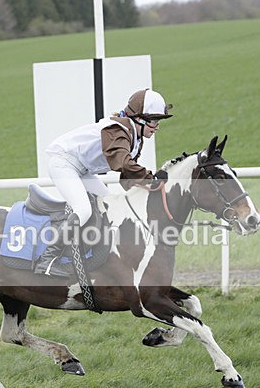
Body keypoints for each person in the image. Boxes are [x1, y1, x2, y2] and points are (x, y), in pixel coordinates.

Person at [34, 88, 173, 276]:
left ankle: (99, 255)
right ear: (139, 118)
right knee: (83, 210)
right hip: (63, 163)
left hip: (81, 169)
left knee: (110, 206)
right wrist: (151, 179)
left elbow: (127, 176)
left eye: (158, 121)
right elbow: (123, 163)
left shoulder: (135, 137)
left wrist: (150, 186)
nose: (156, 126)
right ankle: (47, 259)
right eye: (153, 121)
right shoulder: (118, 130)